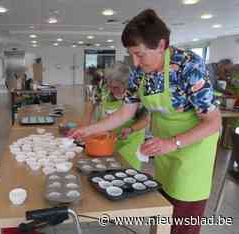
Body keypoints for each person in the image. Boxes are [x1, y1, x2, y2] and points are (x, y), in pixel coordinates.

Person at [70, 9, 221, 234]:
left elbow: (213, 122)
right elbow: (124, 113)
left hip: (192, 152)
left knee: (182, 222)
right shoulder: (140, 74)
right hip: (164, 150)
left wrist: (174, 143)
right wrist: (88, 130)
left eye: (139, 54)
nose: (135, 62)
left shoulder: (189, 66)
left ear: (161, 45)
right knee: (162, 212)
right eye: (132, 54)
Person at [81, 61, 149, 169]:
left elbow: (145, 119)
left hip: (129, 138)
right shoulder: (102, 83)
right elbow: (90, 105)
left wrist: (131, 129)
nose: (111, 90)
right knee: (102, 167)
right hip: (104, 135)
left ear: (127, 83)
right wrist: (83, 129)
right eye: (109, 86)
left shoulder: (137, 89)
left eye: (116, 87)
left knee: (126, 169)